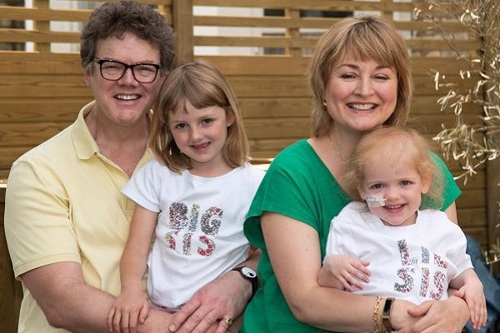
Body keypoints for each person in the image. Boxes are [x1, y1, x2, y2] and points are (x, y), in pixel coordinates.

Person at [4, 2, 258, 333]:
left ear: (162, 78)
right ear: (87, 74)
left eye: (144, 68)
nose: (129, 81)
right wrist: (179, 329)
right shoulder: (38, 172)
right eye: (112, 66)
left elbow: (263, 251)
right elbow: (61, 301)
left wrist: (243, 279)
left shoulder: (195, 154)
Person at [242, 15, 471, 333]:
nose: (364, 90)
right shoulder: (292, 173)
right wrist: (392, 314)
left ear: (398, 89)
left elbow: (450, 265)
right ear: (323, 86)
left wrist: (458, 308)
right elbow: (305, 301)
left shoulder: (427, 167)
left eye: (380, 76)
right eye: (349, 75)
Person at [107, 59, 264, 333]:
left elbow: (264, 254)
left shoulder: (254, 183)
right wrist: (130, 291)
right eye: (181, 125)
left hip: (220, 318)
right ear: (167, 127)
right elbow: (136, 246)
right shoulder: (157, 174)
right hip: (158, 313)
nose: (195, 135)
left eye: (206, 121)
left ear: (228, 116)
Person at [317, 126, 486, 331]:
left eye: (405, 183)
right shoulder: (352, 225)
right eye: (378, 186)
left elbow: (459, 270)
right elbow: (330, 290)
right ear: (362, 189)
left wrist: (472, 282)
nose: (392, 196)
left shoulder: (440, 227)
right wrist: (332, 268)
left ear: (424, 182)